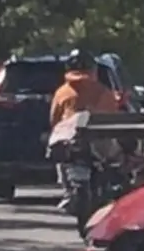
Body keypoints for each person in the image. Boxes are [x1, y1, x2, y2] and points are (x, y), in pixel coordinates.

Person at [50, 49, 120, 209]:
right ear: (93, 69)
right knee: (115, 161)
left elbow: (54, 119)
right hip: (101, 142)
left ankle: (68, 193)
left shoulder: (62, 93)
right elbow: (113, 117)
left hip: (71, 140)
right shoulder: (104, 91)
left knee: (61, 159)